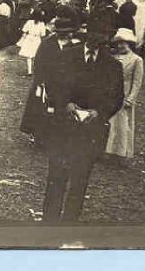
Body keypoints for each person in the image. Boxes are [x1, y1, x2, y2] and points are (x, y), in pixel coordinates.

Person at [42, 19, 125, 223]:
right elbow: (52, 85)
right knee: (56, 176)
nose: (101, 39)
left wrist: (99, 112)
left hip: (91, 130)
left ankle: (70, 222)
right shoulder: (67, 56)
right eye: (97, 33)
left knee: (80, 179)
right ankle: (49, 222)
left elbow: (116, 97)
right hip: (64, 126)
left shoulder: (113, 65)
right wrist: (66, 104)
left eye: (106, 35)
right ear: (88, 33)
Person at [19, 6, 81, 148]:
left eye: (66, 33)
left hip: (62, 83)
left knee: (58, 109)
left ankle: (54, 137)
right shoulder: (47, 43)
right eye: (61, 33)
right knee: (40, 108)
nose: (63, 35)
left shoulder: (72, 46)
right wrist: (41, 82)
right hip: (45, 82)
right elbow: (39, 63)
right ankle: (36, 135)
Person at [105, 28, 145, 163]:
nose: (121, 46)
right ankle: (107, 151)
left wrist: (131, 98)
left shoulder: (136, 60)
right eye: (119, 43)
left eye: (124, 43)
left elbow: (137, 81)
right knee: (109, 122)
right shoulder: (113, 57)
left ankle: (120, 153)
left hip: (125, 94)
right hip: (111, 92)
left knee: (122, 125)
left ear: (130, 44)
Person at [18, 9, 47, 76]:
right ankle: (35, 70)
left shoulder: (29, 22)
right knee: (36, 55)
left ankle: (29, 71)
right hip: (37, 39)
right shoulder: (42, 24)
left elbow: (24, 30)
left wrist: (23, 37)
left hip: (29, 38)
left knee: (29, 56)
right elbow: (43, 34)